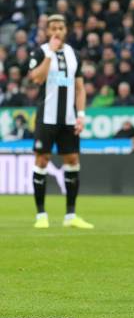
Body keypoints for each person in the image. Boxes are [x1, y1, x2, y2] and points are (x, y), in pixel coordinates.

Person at [27, 14, 93, 229]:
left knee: (72, 160)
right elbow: (36, 78)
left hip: (69, 118)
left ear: (66, 31)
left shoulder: (74, 54)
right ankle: (41, 215)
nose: (57, 32)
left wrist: (81, 116)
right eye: (53, 28)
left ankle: (70, 215)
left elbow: (80, 88)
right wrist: (50, 55)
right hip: (46, 117)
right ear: (47, 31)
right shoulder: (40, 52)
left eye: (60, 28)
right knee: (42, 160)